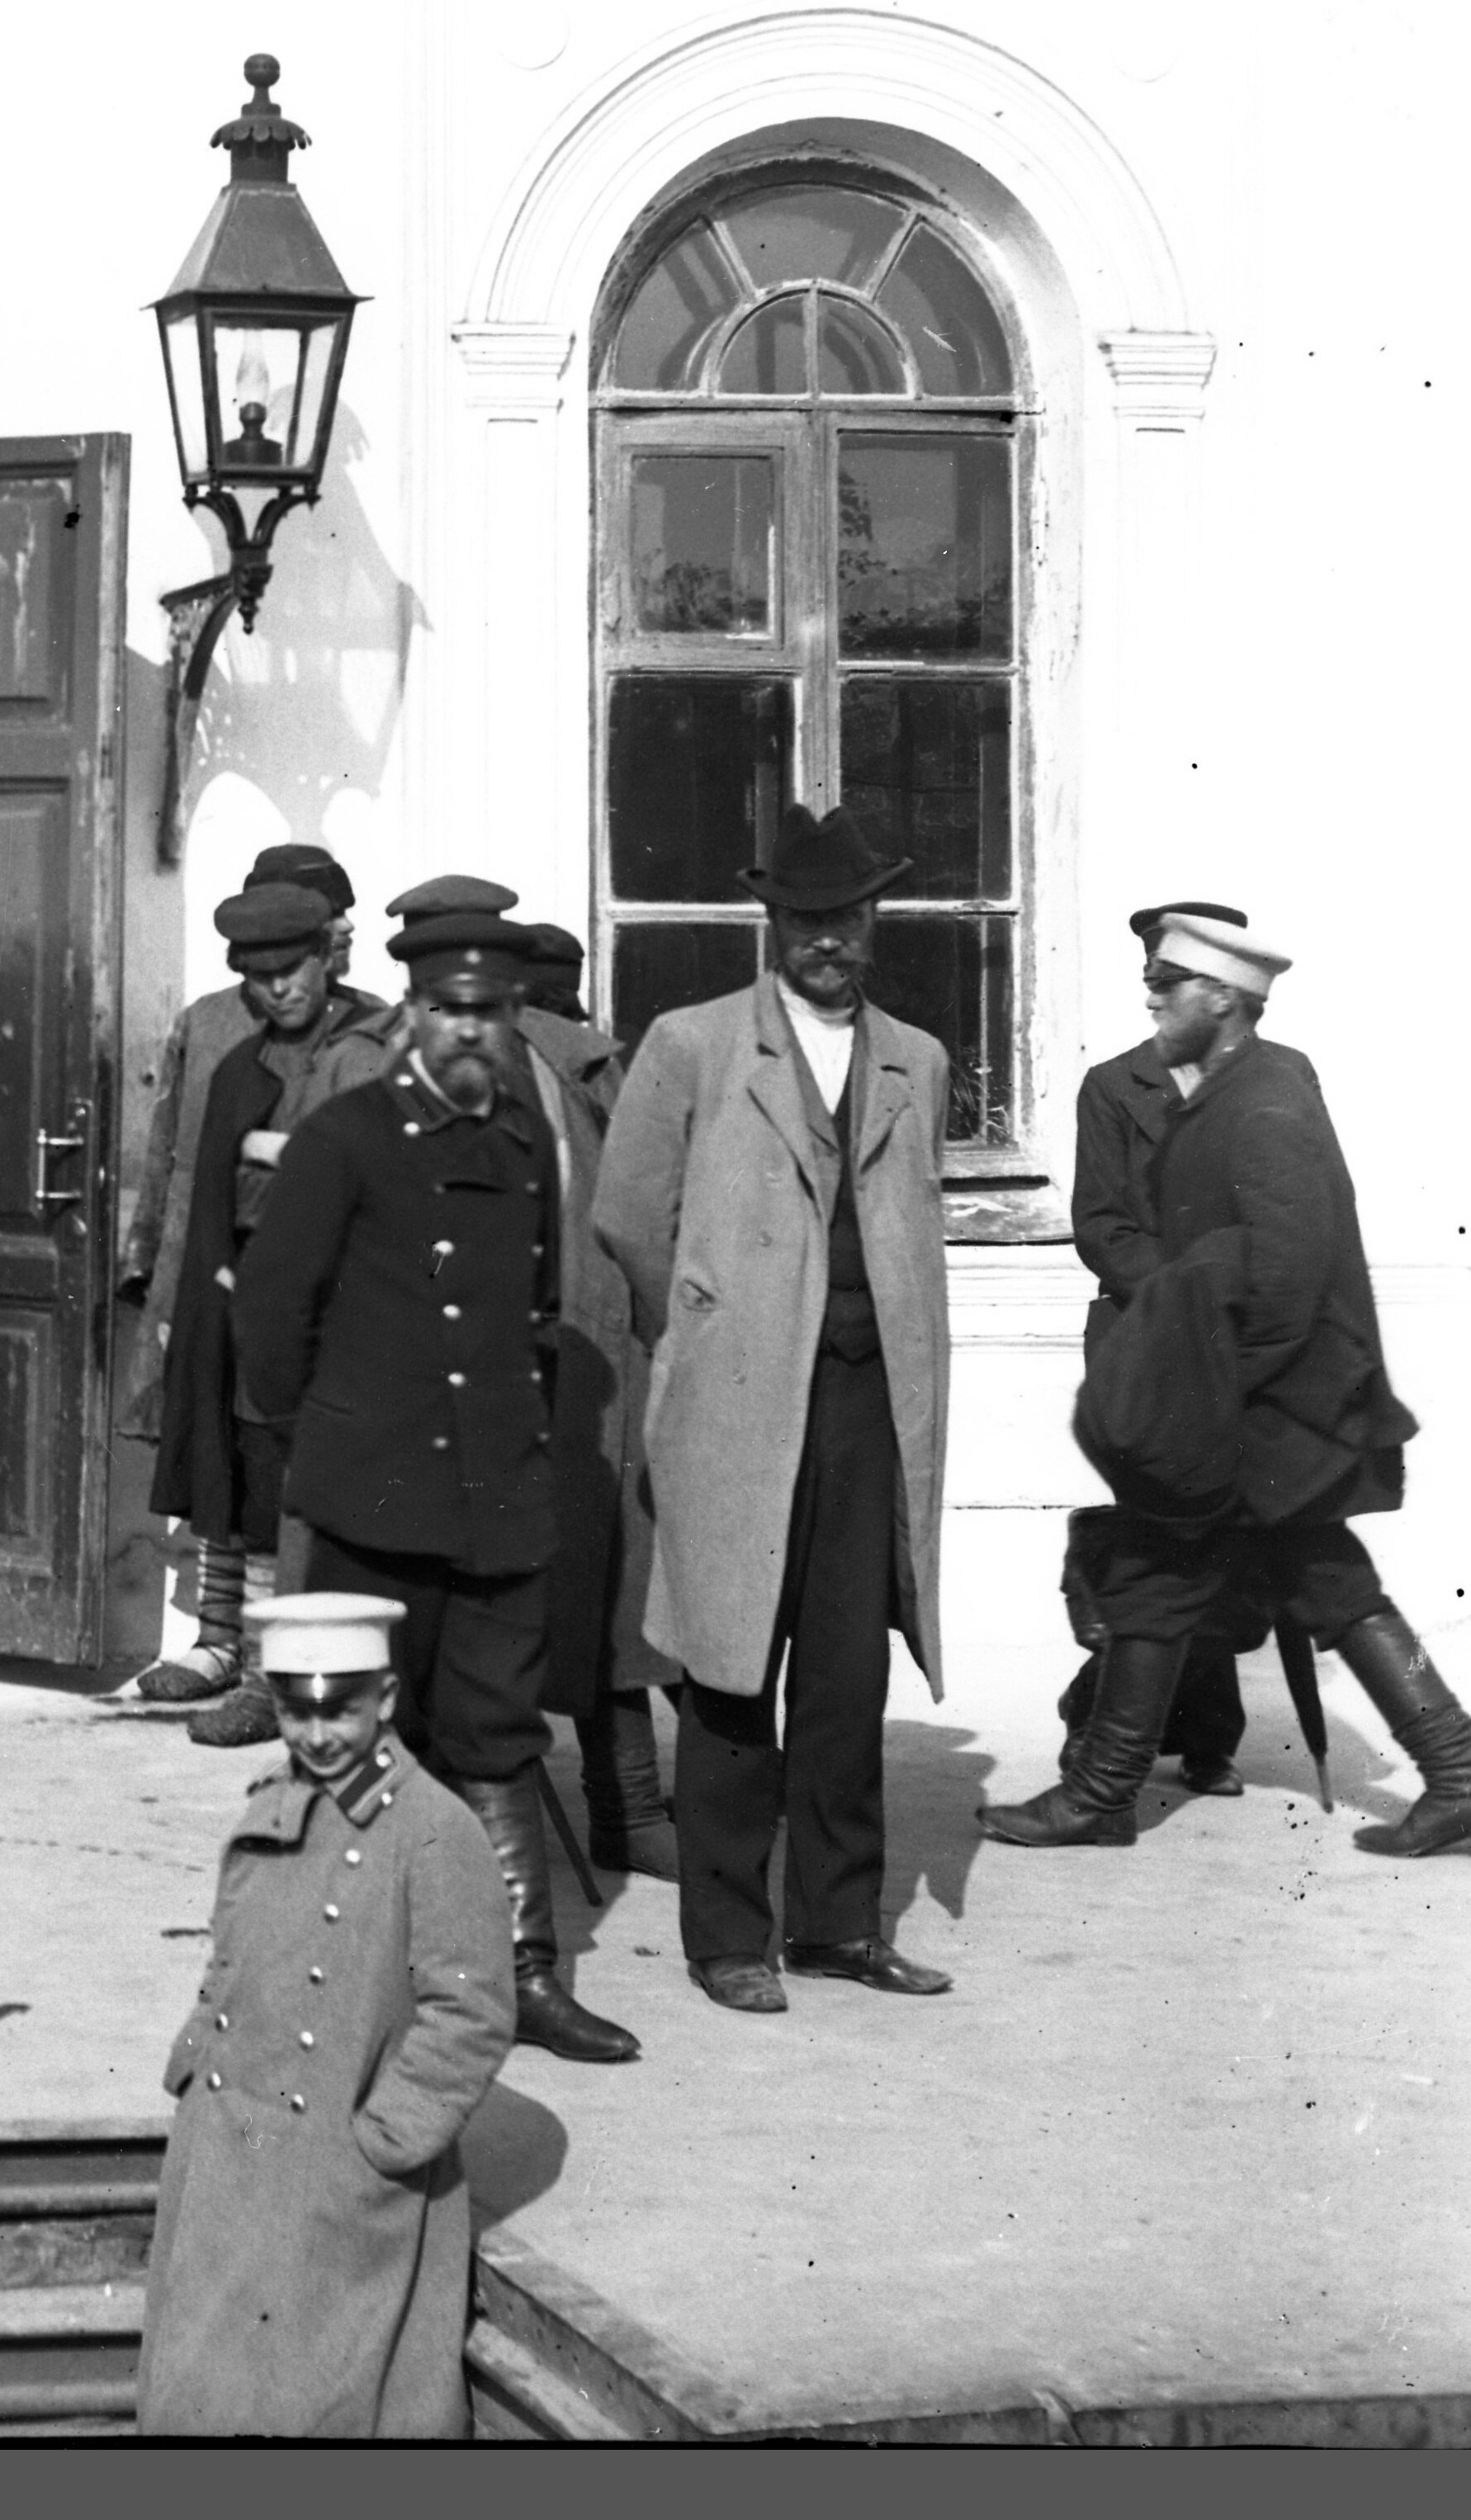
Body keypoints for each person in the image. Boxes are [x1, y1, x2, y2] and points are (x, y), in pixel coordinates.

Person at [231, 901, 639, 2064]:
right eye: (451, 1010)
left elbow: (544, 1309)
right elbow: (272, 1315)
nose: (472, 1031)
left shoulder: (523, 1144)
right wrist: (339, 1429)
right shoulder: (346, 1136)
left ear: (515, 1020)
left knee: (496, 1734)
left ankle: (523, 1975)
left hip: (498, 1494)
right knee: (356, 1736)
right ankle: (342, 1973)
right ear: (412, 1014)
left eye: (492, 1012)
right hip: (373, 1495)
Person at [981, 914, 1468, 1859]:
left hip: (1261, 1411)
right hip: (1255, 1409)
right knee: (1296, 1576)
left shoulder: (1267, 1100)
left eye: (1169, 980)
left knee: (1185, 1576)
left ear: (1225, 1000)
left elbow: (1287, 1285)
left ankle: (1103, 1792)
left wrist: (1208, 1394)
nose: (1151, 993)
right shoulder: (1234, 1092)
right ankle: (1455, 1773)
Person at [593, 805, 955, 2016]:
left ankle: (840, 1925)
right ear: (773, 925)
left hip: (868, 1408)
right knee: (731, 1667)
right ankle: (728, 1936)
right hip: (739, 1404)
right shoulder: (693, 1045)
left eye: (846, 918)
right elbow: (629, 1215)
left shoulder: (915, 1057)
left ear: (871, 924)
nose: (827, 943)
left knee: (849, 1674)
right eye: (805, 920)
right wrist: (711, 1327)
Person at [136, 1592, 514, 2440]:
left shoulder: (433, 1833)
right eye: (295, 1710)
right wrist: (196, 2056)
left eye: (339, 1709)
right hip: (230, 2152)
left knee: (330, 2401)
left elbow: (475, 2012)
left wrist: (382, 2141)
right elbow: (232, 1953)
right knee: (202, 2393)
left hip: (340, 2176)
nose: (315, 1734)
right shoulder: (271, 1799)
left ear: (383, 1699)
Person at [396, 884, 676, 1881]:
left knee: (596, 1592)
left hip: (579, 1371)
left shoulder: (579, 1075)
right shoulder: (393, 1080)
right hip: (468, 1392)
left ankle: (623, 1808)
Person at [121, 844, 381, 1719]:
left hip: (312, 1302)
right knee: (215, 1461)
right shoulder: (211, 1028)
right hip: (209, 1279)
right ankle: (218, 1640)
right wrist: (150, 1270)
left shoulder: (374, 1034)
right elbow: (171, 1159)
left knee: (281, 1474)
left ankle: (276, 1665)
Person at [1045, 900, 1275, 1800]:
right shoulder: (1113, 1086)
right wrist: (1192, 1299)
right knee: (1162, 1528)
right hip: (1144, 1340)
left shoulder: (1273, 1080)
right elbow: (1100, 1226)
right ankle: (1105, 1727)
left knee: (1225, 1532)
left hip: (1243, 1345)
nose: (1162, 985)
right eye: (1157, 969)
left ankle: (1204, 1737)